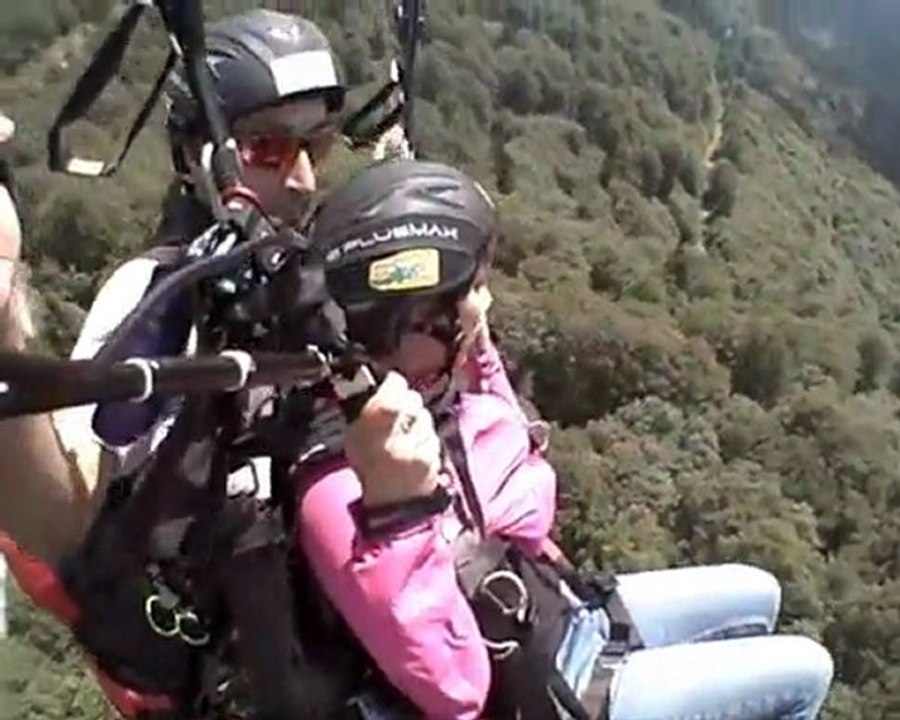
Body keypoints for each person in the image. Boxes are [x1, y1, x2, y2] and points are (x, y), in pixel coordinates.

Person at [296, 158, 835, 720]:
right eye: (473, 290)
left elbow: (523, 481)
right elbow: (456, 691)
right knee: (806, 669)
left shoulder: (426, 405)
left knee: (759, 592)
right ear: (413, 319)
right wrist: (400, 511)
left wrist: (474, 351)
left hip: (561, 617)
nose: (486, 304)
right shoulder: (346, 487)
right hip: (545, 689)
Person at [0, 8, 347, 564]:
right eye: (267, 148)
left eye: (317, 145)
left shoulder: (311, 272)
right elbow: (68, 508)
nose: (303, 178)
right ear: (195, 158)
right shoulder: (161, 293)